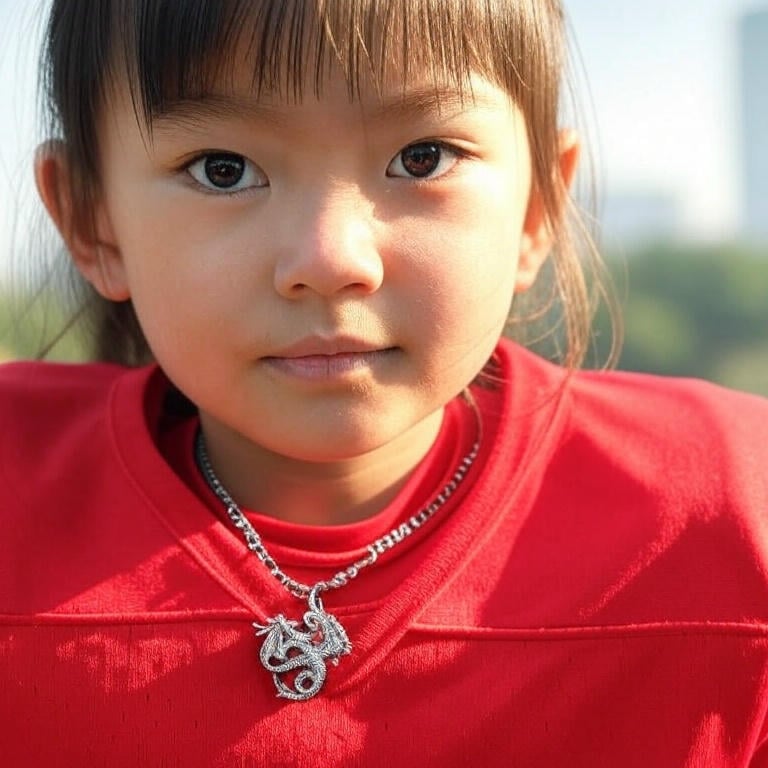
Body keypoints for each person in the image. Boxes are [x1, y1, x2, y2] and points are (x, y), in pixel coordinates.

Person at [1, 1, 767, 765]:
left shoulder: (731, 528)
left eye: (423, 157)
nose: (331, 259)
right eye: (223, 170)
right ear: (91, 219)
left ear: (539, 208)